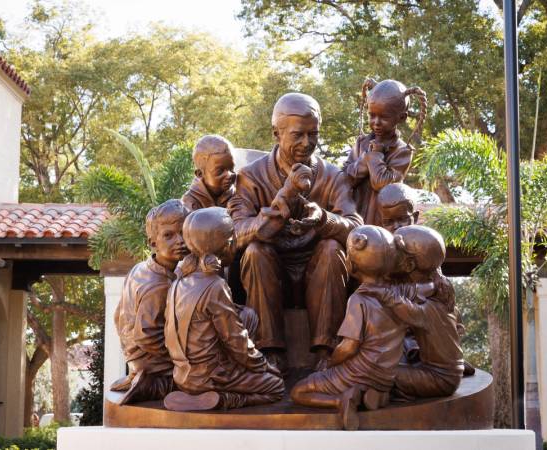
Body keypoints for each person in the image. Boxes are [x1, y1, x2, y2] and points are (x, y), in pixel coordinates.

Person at [228, 93, 362, 371]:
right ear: (276, 133)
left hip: (320, 276)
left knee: (331, 248)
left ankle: (327, 353)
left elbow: (356, 228)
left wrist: (323, 218)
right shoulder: (251, 177)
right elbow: (235, 234)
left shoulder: (332, 176)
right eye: (298, 135)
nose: (307, 143)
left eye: (313, 134)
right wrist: (284, 198)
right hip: (267, 276)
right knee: (255, 251)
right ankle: (268, 353)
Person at [163, 207, 284, 411]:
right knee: (276, 386)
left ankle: (202, 393)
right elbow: (236, 340)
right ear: (227, 244)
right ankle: (223, 399)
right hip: (209, 377)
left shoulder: (179, 279)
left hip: (182, 375)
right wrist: (263, 365)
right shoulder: (214, 285)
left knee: (247, 315)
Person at [290, 225, 407, 429]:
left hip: (360, 372)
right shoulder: (399, 295)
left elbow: (348, 347)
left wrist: (331, 362)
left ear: (350, 264)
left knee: (299, 391)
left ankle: (341, 400)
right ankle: (374, 393)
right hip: (386, 374)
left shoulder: (358, 300)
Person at [367, 225, 465, 399]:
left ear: (409, 264)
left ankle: (377, 395)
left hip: (439, 378)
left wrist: (380, 292)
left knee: (379, 371)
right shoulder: (437, 290)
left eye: (394, 250)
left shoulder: (430, 306)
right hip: (436, 369)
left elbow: (408, 310)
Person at [110, 199, 190, 404]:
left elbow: (117, 315)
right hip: (153, 363)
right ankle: (151, 384)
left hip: (136, 358)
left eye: (183, 232)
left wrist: (132, 357)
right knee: (204, 376)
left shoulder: (140, 268)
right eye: (169, 236)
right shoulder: (158, 286)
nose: (179, 241)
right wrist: (184, 359)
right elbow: (147, 337)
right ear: (153, 243)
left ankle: (138, 374)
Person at [343, 79, 427, 226]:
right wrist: (364, 160)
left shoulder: (403, 152)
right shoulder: (361, 143)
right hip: (352, 217)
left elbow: (382, 184)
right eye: (372, 115)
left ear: (401, 117)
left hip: (381, 224)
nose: (376, 122)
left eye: (384, 117)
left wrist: (374, 156)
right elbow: (343, 179)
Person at [182, 135, 236, 211]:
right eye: (220, 171)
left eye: (232, 168)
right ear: (200, 174)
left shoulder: (238, 195)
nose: (229, 175)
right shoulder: (189, 204)